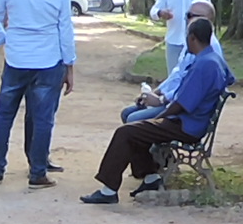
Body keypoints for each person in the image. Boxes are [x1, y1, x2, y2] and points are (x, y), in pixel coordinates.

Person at [81, 17, 233, 204]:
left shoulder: (203, 65)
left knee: (125, 132)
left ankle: (108, 190)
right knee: (137, 130)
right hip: (193, 121)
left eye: (187, 36)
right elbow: (228, 79)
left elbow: (182, 104)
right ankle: (151, 178)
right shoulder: (213, 58)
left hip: (186, 125)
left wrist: (160, 117)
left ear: (192, 38)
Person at [0, 0, 76, 188]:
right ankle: (37, 173)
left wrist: (4, 39)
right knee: (43, 119)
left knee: (5, 115)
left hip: (16, 58)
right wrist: (69, 66)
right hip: (48, 61)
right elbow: (65, 32)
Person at [123, 1, 223, 123]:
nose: (186, 19)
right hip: (173, 102)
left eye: (190, 16)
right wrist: (155, 93)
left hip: (184, 112)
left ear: (206, 20)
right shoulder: (193, 41)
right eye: (186, 15)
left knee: (133, 119)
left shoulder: (206, 49)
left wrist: (161, 100)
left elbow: (188, 90)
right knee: (127, 113)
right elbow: (177, 74)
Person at [150, 0, 211, 70]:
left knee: (195, 74)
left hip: (197, 42)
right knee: (174, 75)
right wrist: (160, 13)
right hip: (174, 41)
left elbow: (209, 11)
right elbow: (153, 11)